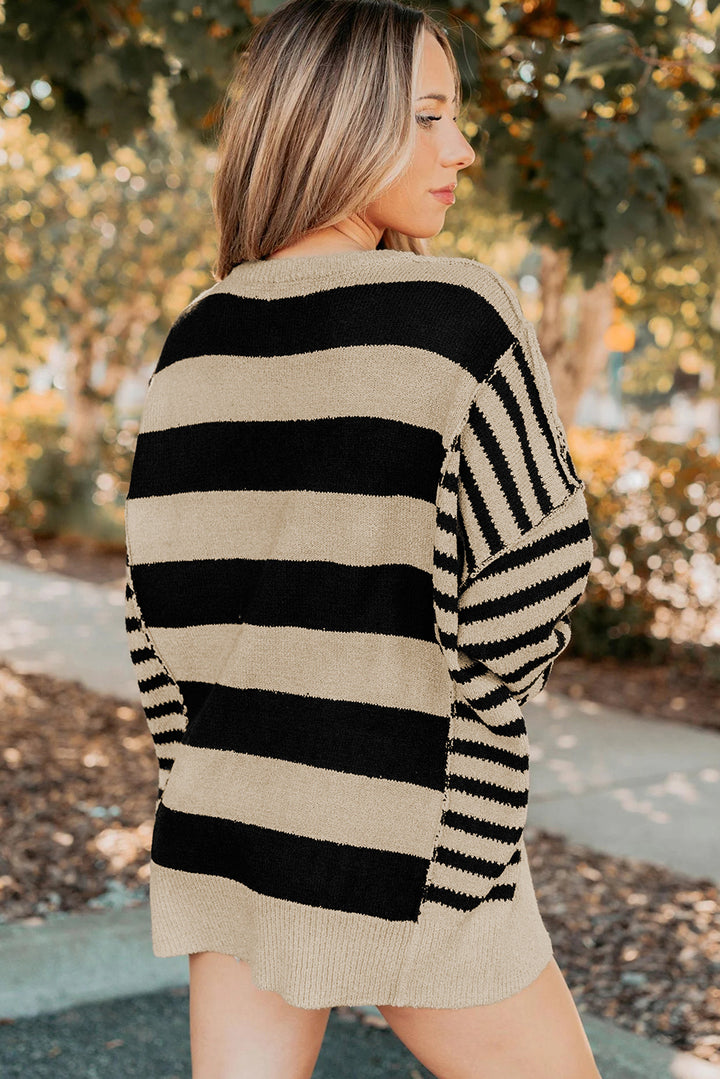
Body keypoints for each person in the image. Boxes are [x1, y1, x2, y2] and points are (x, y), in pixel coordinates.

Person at [123, 1, 602, 1076]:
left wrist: (223, 771)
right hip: (420, 843)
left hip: (228, 824)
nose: (460, 148)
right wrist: (464, 734)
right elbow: (531, 585)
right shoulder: (458, 315)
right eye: (428, 116)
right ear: (335, 122)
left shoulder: (197, 338)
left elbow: (154, 620)